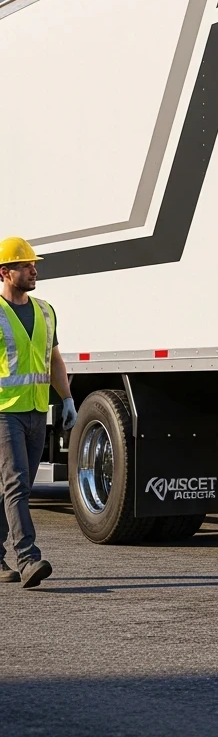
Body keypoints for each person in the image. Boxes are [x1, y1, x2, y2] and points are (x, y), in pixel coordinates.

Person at [0, 237, 77, 589]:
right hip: (4, 412)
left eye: (34, 264)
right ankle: (27, 558)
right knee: (16, 484)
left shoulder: (45, 310)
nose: (34, 270)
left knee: (16, 487)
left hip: (35, 411)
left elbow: (54, 360)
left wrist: (68, 398)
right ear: (6, 272)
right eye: (26, 265)